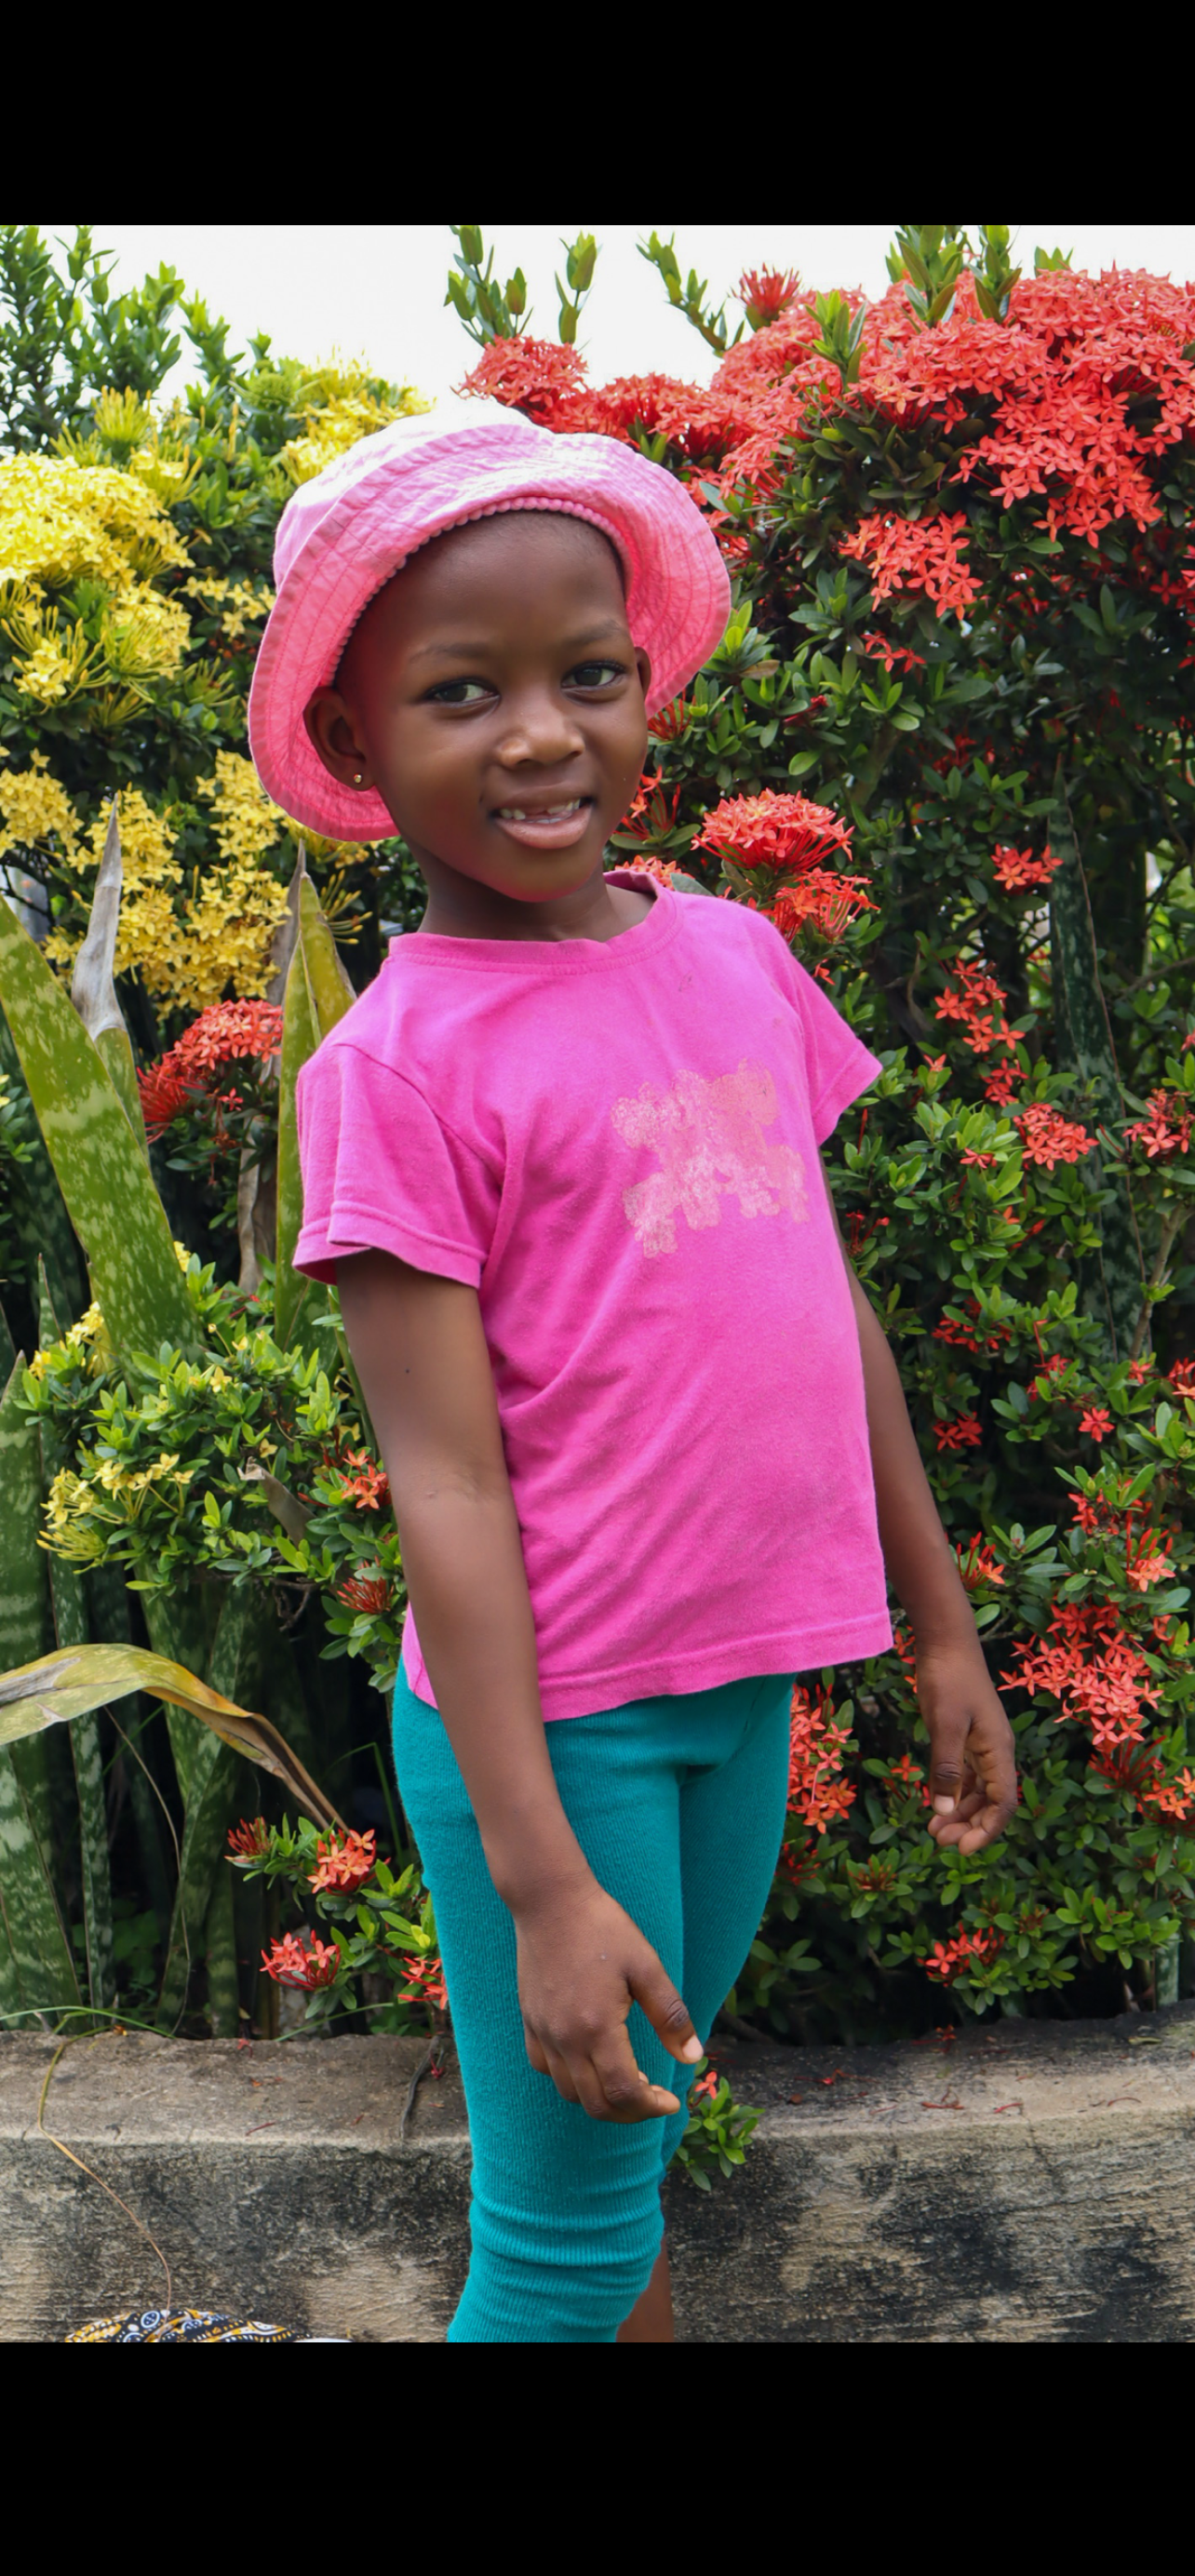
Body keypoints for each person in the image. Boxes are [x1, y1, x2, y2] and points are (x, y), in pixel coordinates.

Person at [248, 401, 1017, 2344]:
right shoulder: (399, 1074)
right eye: (461, 691)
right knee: (565, 2248)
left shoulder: (734, 957)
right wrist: (535, 1880)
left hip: (735, 1693)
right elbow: (445, 1484)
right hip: (558, 1732)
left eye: (588, 675)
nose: (540, 733)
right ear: (353, 746)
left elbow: (821, 1300)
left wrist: (940, 1627)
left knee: (626, 2171)